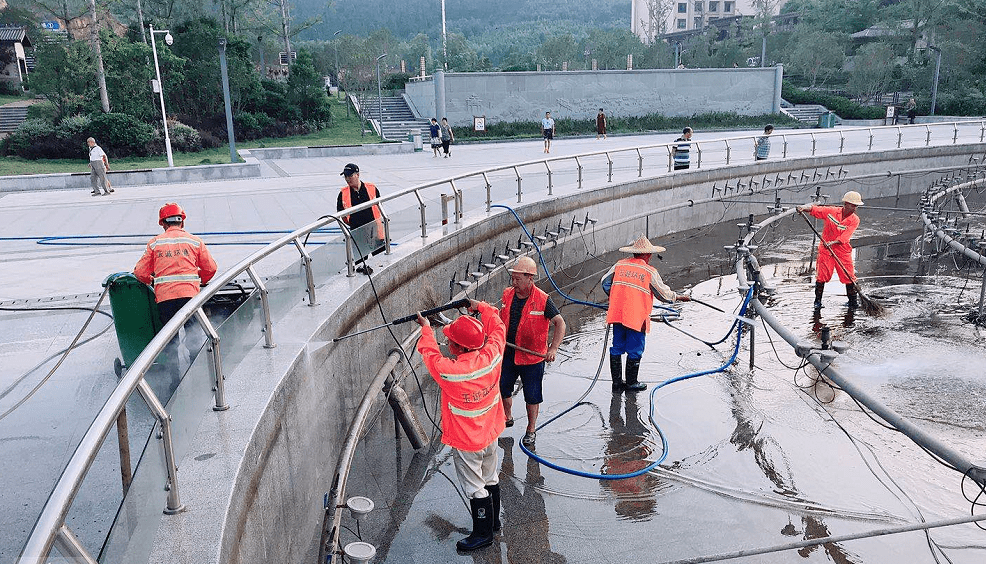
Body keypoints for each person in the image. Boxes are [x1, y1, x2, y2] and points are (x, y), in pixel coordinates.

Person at [416, 299, 506, 552]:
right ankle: (494, 522)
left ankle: (482, 535)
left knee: (476, 487)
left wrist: (425, 328)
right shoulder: (493, 355)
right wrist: (483, 308)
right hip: (491, 432)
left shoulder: (449, 371)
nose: (447, 343)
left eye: (450, 340)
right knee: (490, 476)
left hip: (467, 441)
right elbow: (498, 328)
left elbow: (430, 354)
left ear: (458, 347)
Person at [601, 236, 690, 392]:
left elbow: (605, 282)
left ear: (635, 253)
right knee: (635, 348)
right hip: (636, 316)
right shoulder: (649, 271)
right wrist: (678, 297)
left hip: (617, 313)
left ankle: (616, 383)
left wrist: (614, 296)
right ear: (648, 254)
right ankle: (631, 383)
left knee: (617, 347)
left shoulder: (619, 265)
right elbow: (663, 294)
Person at [498, 256, 566, 447]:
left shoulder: (543, 300)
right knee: (503, 387)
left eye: (518, 279)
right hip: (509, 352)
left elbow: (560, 323)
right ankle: (507, 416)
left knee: (532, 395)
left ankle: (531, 429)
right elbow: (498, 317)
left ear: (530, 278)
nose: (514, 283)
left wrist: (553, 348)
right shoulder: (507, 295)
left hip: (533, 357)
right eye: (513, 278)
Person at [134, 203, 218, 326]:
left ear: (163, 223)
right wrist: (201, 279)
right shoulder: (195, 241)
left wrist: (150, 280)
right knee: (193, 338)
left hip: (165, 298)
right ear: (182, 222)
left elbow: (140, 272)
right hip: (190, 296)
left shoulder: (155, 243)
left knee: (170, 338)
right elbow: (211, 268)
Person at [797, 191, 864, 310]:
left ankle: (853, 302)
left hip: (842, 250)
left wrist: (833, 242)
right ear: (846, 204)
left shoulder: (855, 220)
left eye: (856, 206)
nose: (855, 208)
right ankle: (817, 302)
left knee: (848, 276)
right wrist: (803, 208)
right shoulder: (832, 212)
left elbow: (846, 236)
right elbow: (816, 210)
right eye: (853, 205)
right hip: (825, 249)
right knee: (822, 275)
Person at [336, 163, 385, 275]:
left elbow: (379, 206)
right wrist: (351, 224)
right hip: (357, 232)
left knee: (381, 261)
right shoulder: (343, 193)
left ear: (357, 175)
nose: (347, 179)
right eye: (345, 176)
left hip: (375, 231)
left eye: (350, 176)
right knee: (360, 265)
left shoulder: (371, 188)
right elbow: (341, 214)